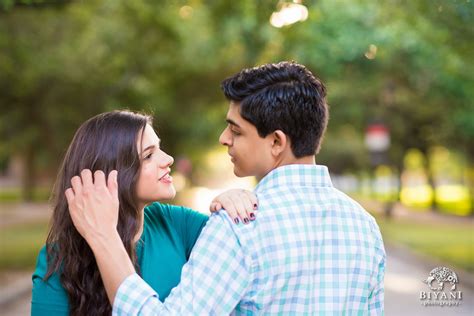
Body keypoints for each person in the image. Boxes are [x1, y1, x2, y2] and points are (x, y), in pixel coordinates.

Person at [67, 62, 386, 315]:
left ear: (276, 142)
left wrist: (105, 238)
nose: (224, 138)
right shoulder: (363, 227)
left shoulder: (241, 228)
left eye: (236, 130)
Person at [31, 110, 257, 315]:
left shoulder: (176, 223)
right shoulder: (59, 257)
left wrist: (228, 201)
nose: (167, 160)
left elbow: (238, 250)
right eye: (149, 155)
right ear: (111, 173)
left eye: (159, 148)